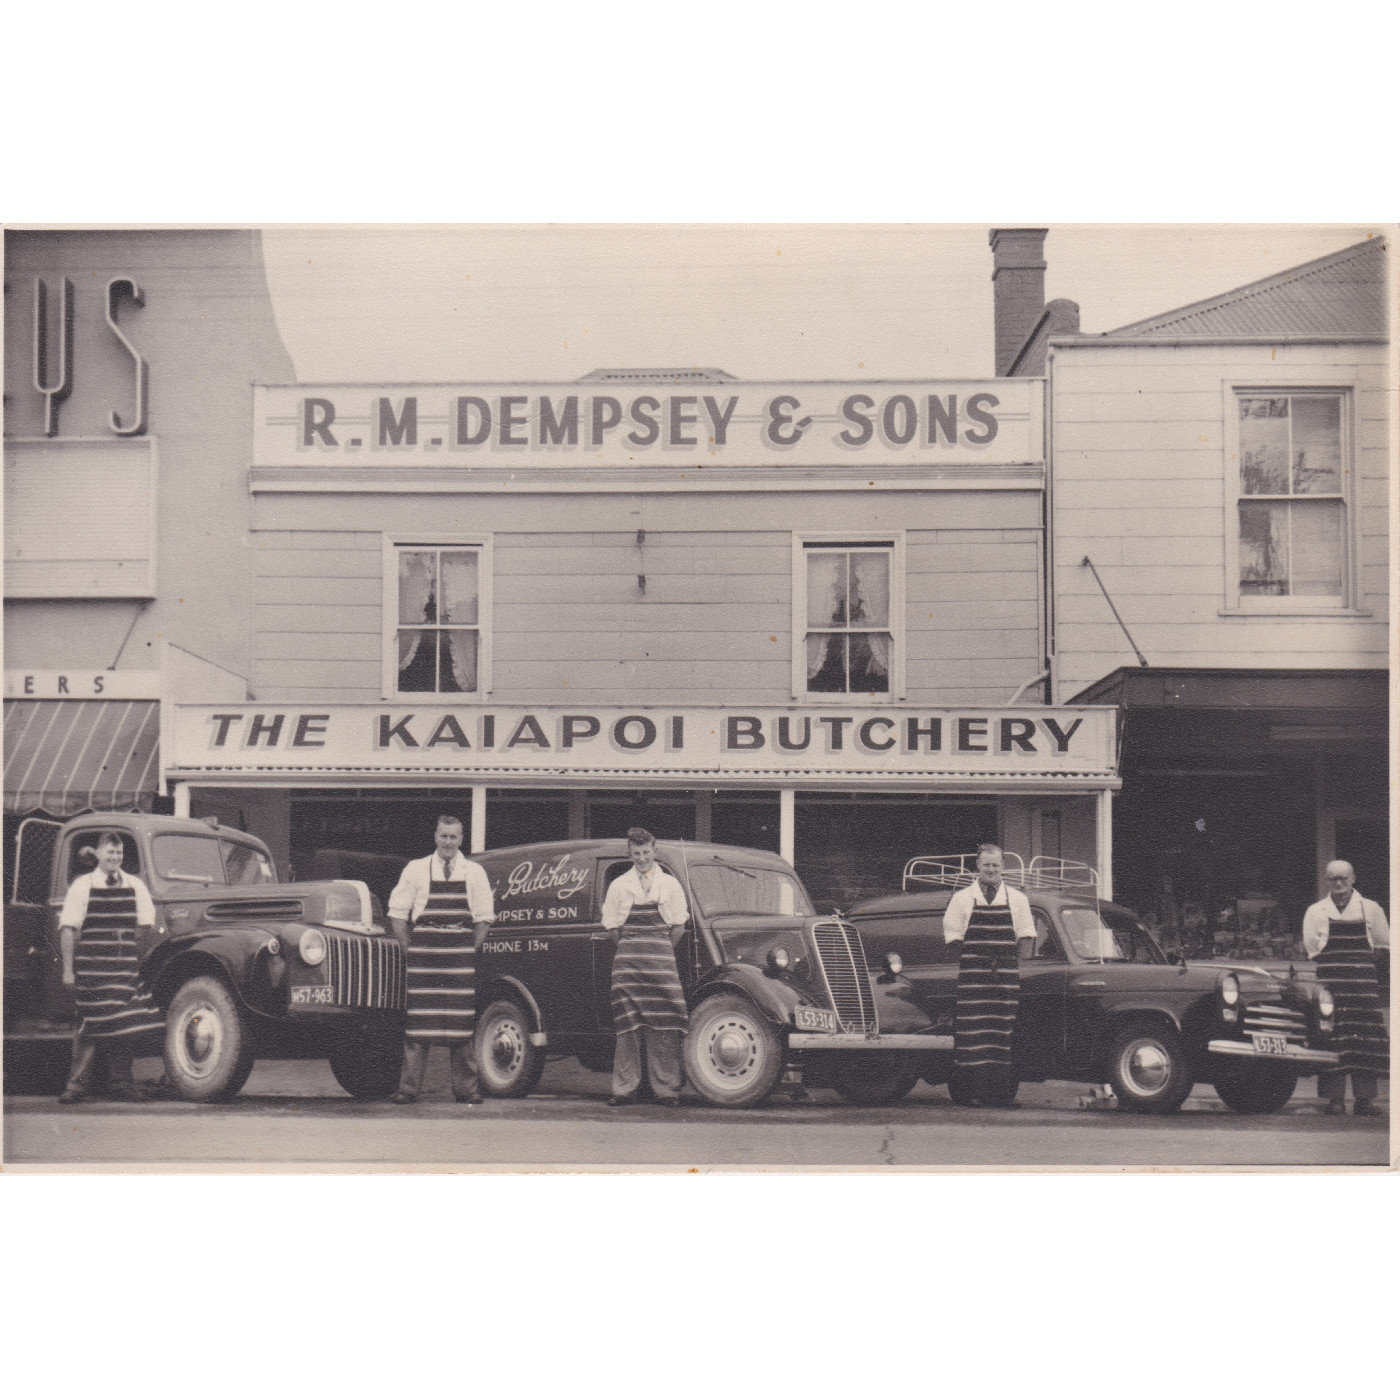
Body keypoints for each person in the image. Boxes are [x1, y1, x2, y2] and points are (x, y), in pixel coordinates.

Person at [386, 814, 494, 1105]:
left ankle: (467, 1090)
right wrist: (410, 949)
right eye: (444, 836)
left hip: (459, 958)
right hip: (424, 958)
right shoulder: (416, 869)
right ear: (436, 837)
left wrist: (468, 950)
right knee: (418, 1026)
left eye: (454, 837)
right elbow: (397, 913)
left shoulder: (474, 872)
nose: (448, 842)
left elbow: (484, 919)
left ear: (461, 839)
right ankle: (408, 1090)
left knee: (461, 1025)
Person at [57, 831, 165, 1103]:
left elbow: (144, 924)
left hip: (122, 969)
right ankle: (76, 1085)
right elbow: (68, 929)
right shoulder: (83, 885)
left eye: (118, 853)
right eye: (109, 853)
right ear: (99, 854)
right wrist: (68, 970)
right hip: (92, 968)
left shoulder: (135, 885)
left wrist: (121, 942)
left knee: (125, 1025)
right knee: (89, 1025)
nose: (114, 857)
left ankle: (121, 1083)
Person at [599, 827, 690, 1107]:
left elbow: (678, 927)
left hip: (661, 962)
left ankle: (667, 1090)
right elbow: (613, 928)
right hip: (627, 963)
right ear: (629, 854)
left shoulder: (671, 885)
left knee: (664, 1022)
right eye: (636, 854)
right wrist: (633, 946)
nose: (641, 859)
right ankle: (624, 1089)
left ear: (655, 851)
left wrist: (658, 947)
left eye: (646, 853)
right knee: (627, 1026)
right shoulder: (619, 885)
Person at [942, 843, 1035, 1107]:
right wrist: (977, 959)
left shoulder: (1017, 899)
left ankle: (1000, 1095)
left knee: (1001, 1034)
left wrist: (1010, 964)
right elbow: (953, 939)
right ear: (978, 867)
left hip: (1005, 979)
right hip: (973, 978)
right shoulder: (962, 898)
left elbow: (1026, 938)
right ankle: (971, 1094)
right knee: (973, 1035)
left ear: (1003, 867)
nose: (991, 869)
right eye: (986, 865)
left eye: (996, 865)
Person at [1302, 860, 1389, 1117]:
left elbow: (1384, 945)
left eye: (1343, 878)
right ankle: (1334, 1101)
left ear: (1353, 879)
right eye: (1333, 879)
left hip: (1363, 989)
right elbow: (1311, 949)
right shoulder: (1316, 911)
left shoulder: (1371, 909)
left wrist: (1360, 968)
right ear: (1327, 881)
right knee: (1331, 1038)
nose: (1338, 884)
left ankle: (1365, 1101)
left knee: (1365, 1040)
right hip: (1330, 988)